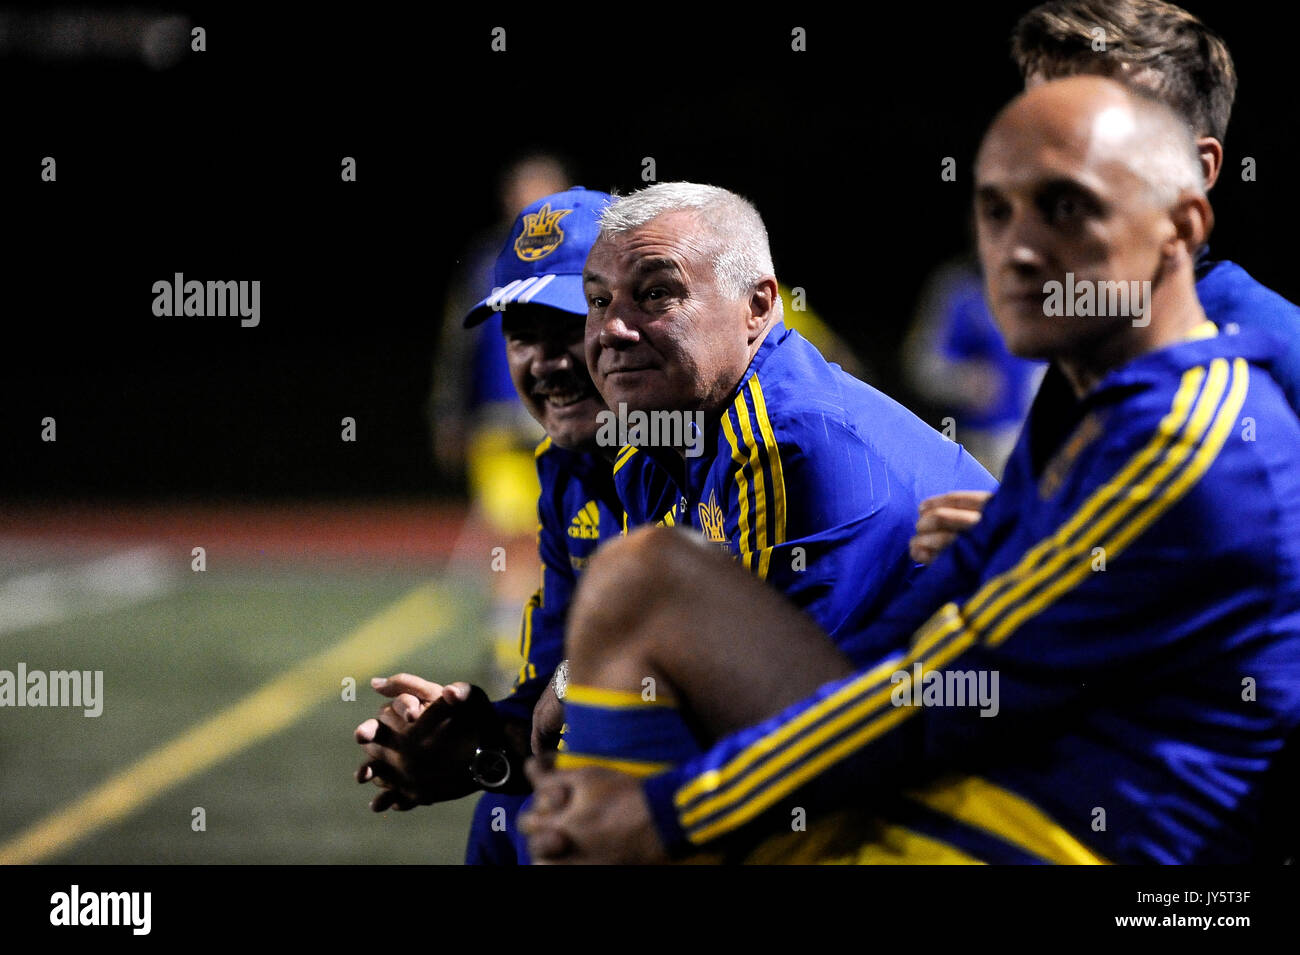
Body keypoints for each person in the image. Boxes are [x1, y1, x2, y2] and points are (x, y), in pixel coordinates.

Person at [520, 77, 1300, 864]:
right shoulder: (1103, 404)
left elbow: (934, 693)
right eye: (996, 210)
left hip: (1061, 834)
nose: (1019, 249)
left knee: (647, 636)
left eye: (1064, 204)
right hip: (989, 776)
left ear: (1183, 219)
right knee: (641, 594)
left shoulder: (1189, 428)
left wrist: (663, 812)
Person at [912, 0, 1300, 566]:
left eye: (1086, 137)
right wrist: (1022, 539)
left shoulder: (1275, 353)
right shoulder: (1083, 337)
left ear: (1199, 171)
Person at [585, 183, 994, 661]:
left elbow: (766, 700)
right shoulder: (653, 437)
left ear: (756, 308)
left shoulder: (788, 440)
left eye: (656, 293)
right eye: (597, 300)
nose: (613, 327)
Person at [354, 188, 624, 865]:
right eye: (521, 333)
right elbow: (547, 711)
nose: (546, 361)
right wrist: (472, 746)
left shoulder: (732, 439)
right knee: (506, 812)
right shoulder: (572, 465)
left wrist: (566, 691)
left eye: (568, 327)